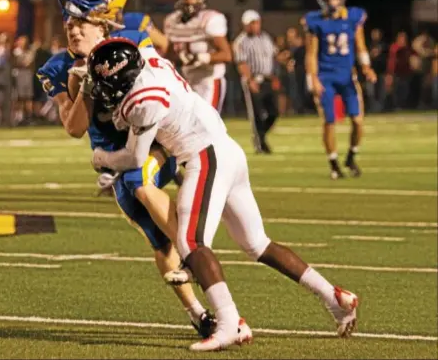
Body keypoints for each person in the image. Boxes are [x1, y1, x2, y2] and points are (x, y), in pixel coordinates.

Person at [88, 38, 359, 352]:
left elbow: (135, 159)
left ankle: (228, 324)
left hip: (205, 155)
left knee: (191, 243)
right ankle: (335, 298)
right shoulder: (148, 58)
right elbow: (145, 48)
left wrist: (102, 159)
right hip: (227, 150)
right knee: (258, 244)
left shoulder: (144, 99)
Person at [37, 0, 215, 337]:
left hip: (154, 144)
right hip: (116, 160)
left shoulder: (134, 38)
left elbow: (161, 69)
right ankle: (199, 314)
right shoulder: (58, 67)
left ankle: (196, 255)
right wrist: (81, 81)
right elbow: (74, 127)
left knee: (139, 178)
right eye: (69, 23)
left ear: (104, 21)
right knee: (156, 238)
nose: (72, 29)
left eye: (80, 22)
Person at [304, 0, 377, 179]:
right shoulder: (315, 21)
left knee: (358, 120)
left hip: (347, 76)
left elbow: (360, 45)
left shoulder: (353, 17)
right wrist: (313, 79)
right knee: (329, 120)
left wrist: (366, 67)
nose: (333, 2)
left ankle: (351, 155)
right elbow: (311, 54)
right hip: (325, 76)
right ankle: (334, 162)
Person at [164, 0, 232, 112]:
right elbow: (169, 54)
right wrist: (181, 58)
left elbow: (227, 55)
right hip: (185, 80)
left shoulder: (210, 19)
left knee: (207, 124)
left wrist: (201, 58)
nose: (188, 1)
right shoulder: (172, 21)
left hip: (210, 80)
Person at [233, 10, 279, 153]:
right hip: (253, 80)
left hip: (267, 79)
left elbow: (272, 57)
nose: (254, 26)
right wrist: (250, 80)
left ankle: (260, 137)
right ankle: (260, 144)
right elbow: (242, 63)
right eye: (251, 23)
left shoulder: (266, 37)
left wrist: (274, 76)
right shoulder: (241, 41)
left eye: (256, 23)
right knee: (257, 114)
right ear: (245, 25)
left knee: (274, 113)